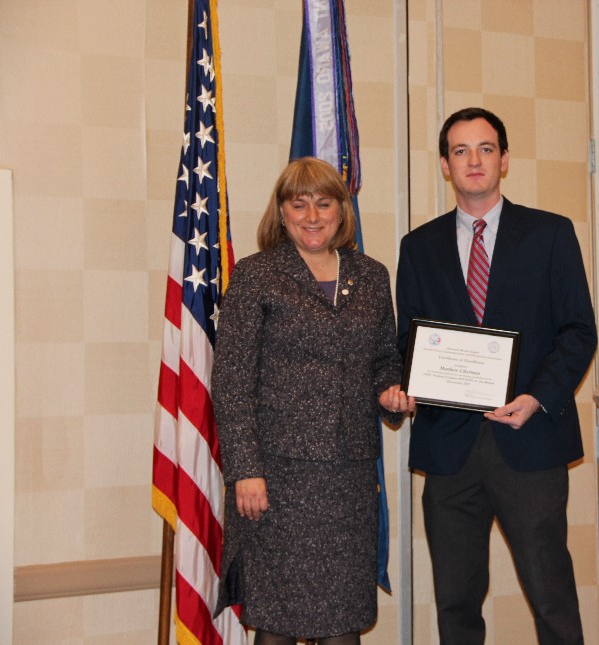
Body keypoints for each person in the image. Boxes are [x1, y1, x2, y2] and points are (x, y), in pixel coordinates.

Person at [396, 107, 597, 644]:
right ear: (445, 165)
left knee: (552, 599)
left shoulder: (551, 234)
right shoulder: (418, 247)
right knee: (456, 605)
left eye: (486, 148)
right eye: (460, 151)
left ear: (504, 160)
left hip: (529, 442)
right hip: (449, 450)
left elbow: (580, 331)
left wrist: (538, 397)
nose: (474, 160)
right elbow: (408, 342)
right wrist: (402, 386)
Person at [212, 157, 413, 645]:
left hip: (348, 478)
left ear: (342, 211)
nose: (312, 215)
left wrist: (391, 390)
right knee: (278, 626)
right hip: (276, 479)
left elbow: (384, 357)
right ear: (281, 213)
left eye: (324, 203)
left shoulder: (370, 275)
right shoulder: (257, 275)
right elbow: (232, 379)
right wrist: (246, 470)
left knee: (342, 625)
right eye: (298, 204)